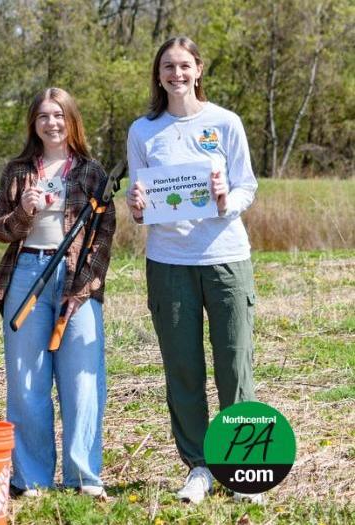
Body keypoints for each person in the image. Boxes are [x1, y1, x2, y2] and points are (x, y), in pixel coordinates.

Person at [126, 36, 259, 504]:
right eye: (167, 66)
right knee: (183, 370)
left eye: (184, 65)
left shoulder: (225, 122)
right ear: (158, 74)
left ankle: (243, 465)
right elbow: (140, 207)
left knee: (233, 365)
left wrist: (227, 200)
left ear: (199, 70)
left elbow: (247, 186)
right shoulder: (143, 130)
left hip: (225, 258)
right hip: (168, 264)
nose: (176, 74)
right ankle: (199, 466)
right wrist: (137, 207)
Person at [0, 88, 115, 499]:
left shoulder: (93, 173)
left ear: (71, 120)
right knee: (26, 382)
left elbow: (103, 235)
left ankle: (83, 476)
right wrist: (24, 210)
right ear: (33, 123)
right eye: (43, 116)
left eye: (58, 115)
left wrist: (84, 287)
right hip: (26, 273)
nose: (51, 123)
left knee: (81, 380)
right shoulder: (18, 170)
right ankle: (32, 477)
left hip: (75, 277)